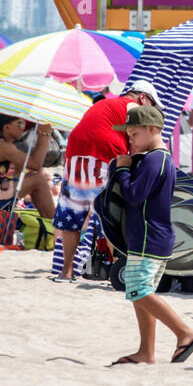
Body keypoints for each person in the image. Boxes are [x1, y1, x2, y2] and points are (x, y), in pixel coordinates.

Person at [107, 106, 193, 366]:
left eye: (134, 134)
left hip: (149, 238)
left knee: (137, 290)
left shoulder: (154, 159)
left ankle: (185, 333)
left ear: (153, 129)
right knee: (142, 294)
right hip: (154, 237)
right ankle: (146, 352)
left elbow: (133, 195)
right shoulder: (162, 159)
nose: (130, 140)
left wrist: (122, 170)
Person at [56, 78, 161, 281]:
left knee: (73, 214)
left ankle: (66, 272)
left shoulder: (104, 102)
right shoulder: (133, 106)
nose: (151, 111)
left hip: (75, 156)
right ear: (143, 97)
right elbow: (139, 146)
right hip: (103, 157)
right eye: (152, 105)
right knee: (110, 217)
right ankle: (116, 268)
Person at [0, 114, 57, 220]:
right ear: (6, 127)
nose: (23, 128)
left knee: (34, 178)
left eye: (24, 124)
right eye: (20, 124)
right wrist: (45, 134)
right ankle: (54, 226)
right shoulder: (1, 145)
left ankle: (49, 223)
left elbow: (24, 170)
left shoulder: (2, 143)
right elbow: (36, 164)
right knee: (38, 180)